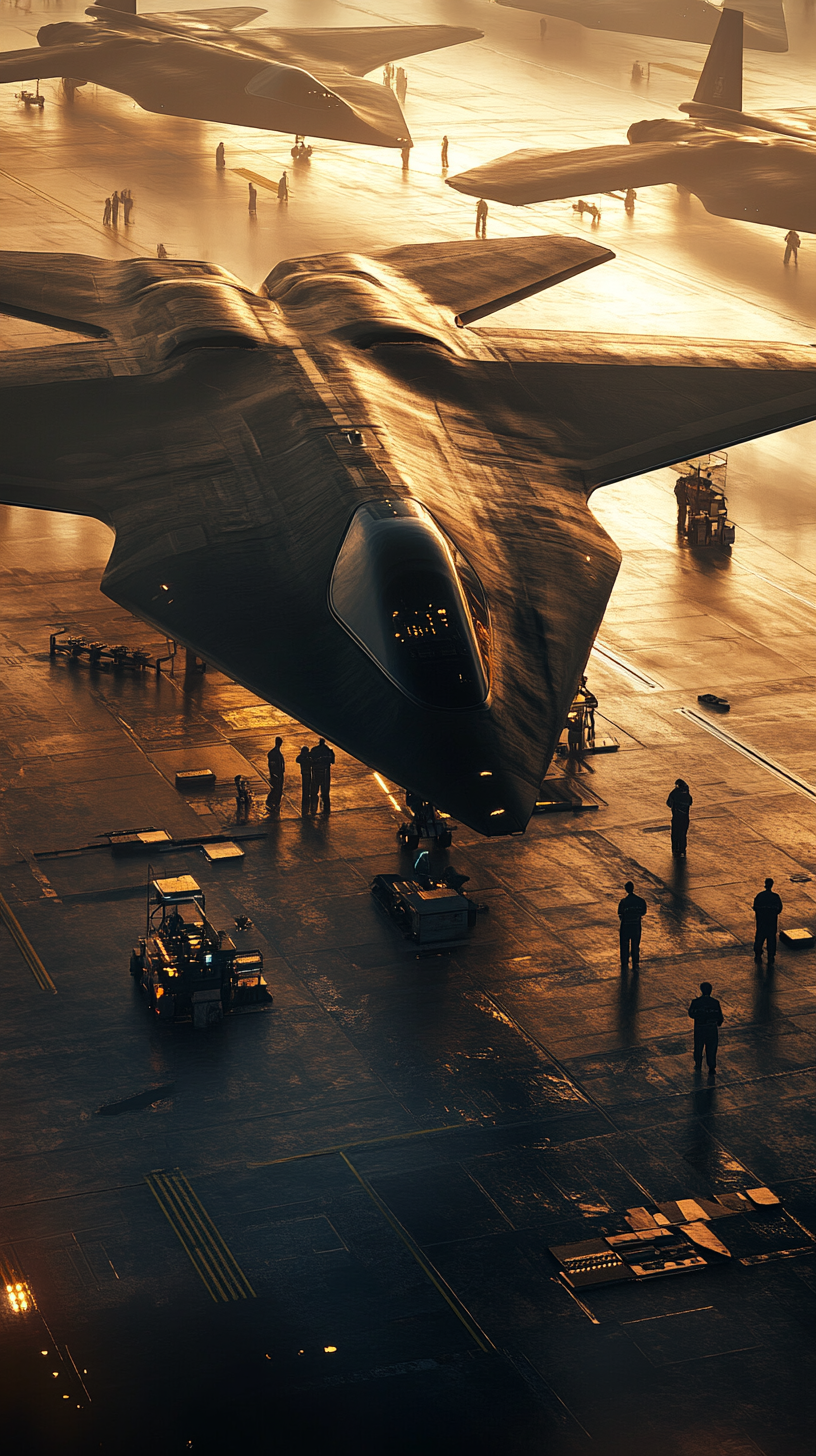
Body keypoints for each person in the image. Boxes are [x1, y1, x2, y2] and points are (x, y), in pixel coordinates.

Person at [688, 981, 723, 1074]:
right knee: (711, 1047)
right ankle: (711, 1066)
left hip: (700, 1027)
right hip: (711, 1028)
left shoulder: (696, 1002)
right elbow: (720, 1016)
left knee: (698, 1046)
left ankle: (698, 1063)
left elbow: (691, 1014)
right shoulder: (715, 1003)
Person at [618, 881, 647, 970]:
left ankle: (625, 961)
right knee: (635, 944)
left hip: (626, 926)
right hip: (636, 926)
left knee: (624, 944)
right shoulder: (640, 901)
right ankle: (635, 961)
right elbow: (643, 912)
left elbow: (620, 913)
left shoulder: (623, 902)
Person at [753, 876, 783, 964]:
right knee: (771, 939)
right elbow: (779, 909)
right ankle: (771, 955)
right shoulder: (775, 897)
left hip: (761, 922)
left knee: (759, 938)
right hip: (771, 923)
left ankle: (758, 953)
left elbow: (755, 907)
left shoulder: (760, 896)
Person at [667, 778, 692, 856]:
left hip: (676, 817)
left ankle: (675, 849)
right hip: (685, 818)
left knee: (675, 833)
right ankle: (682, 849)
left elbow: (668, 803)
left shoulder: (675, 793)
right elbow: (690, 802)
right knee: (683, 834)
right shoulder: (688, 795)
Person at [310, 738, 335, 814]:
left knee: (314, 789)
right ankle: (325, 807)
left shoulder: (314, 750)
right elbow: (332, 761)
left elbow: (311, 760)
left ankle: (313, 806)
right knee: (325, 790)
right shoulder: (328, 751)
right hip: (325, 772)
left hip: (316, 771)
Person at [266, 736, 285, 812]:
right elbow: (272, 765)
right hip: (277, 774)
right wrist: (274, 774)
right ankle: (271, 801)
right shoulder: (274, 753)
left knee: (278, 789)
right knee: (276, 788)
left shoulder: (276, 752)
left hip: (279, 773)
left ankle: (276, 803)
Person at [296, 745, 312, 816]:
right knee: (306, 785)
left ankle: (306, 796)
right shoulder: (304, 758)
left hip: (306, 772)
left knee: (306, 785)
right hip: (306, 773)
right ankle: (306, 797)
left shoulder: (303, 758)